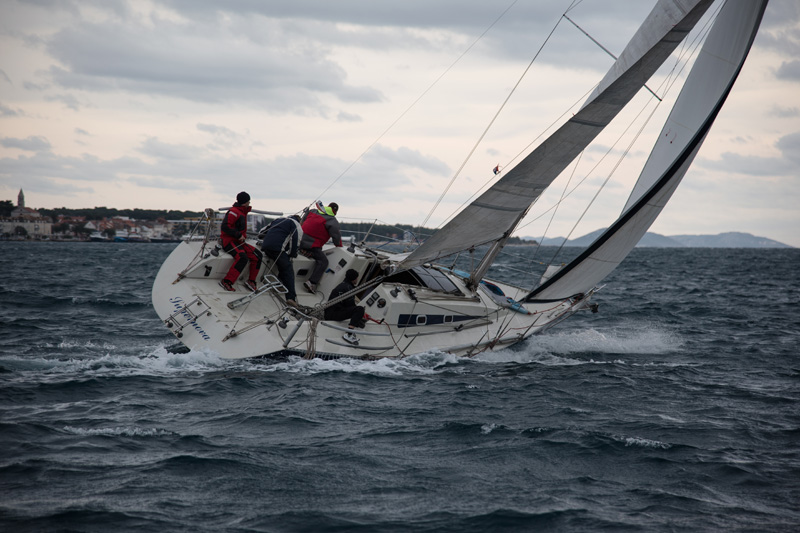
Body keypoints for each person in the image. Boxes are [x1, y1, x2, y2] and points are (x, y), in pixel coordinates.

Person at [219, 191, 262, 292]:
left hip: (238, 242)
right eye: (248, 201)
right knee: (242, 257)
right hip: (229, 241)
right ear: (246, 202)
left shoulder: (242, 211)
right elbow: (225, 227)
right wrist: (238, 235)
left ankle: (251, 281)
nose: (249, 203)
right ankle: (227, 281)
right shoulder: (234, 212)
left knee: (257, 255)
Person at [260, 214, 303, 307]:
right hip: (277, 250)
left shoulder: (278, 220)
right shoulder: (296, 225)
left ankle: (279, 283)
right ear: (299, 221)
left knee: (282, 264)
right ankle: (291, 298)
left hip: (266, 247)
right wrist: (292, 254)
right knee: (288, 270)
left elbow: (262, 232)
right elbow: (295, 241)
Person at [299, 201, 342, 293]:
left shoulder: (313, 211)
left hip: (298, 241)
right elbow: (336, 239)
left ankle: (302, 251)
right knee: (323, 261)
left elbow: (301, 222)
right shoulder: (332, 221)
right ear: (335, 212)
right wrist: (339, 246)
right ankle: (311, 283)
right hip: (311, 246)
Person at [324, 268, 365, 345]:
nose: (357, 279)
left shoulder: (343, 285)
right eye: (357, 278)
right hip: (333, 314)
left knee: (357, 310)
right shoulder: (348, 288)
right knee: (360, 309)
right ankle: (349, 334)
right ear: (354, 279)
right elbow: (351, 306)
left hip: (329, 313)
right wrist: (359, 317)